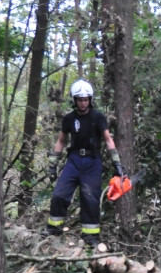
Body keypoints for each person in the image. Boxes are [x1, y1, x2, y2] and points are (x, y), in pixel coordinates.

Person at [45, 79, 125, 248]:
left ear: (90, 99)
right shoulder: (68, 119)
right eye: (80, 99)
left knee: (90, 199)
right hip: (73, 160)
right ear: (74, 100)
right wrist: (52, 164)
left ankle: (91, 237)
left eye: (85, 99)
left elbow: (108, 140)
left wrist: (117, 164)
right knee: (59, 194)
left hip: (92, 161)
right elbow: (60, 141)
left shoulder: (98, 117)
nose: (83, 103)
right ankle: (54, 229)